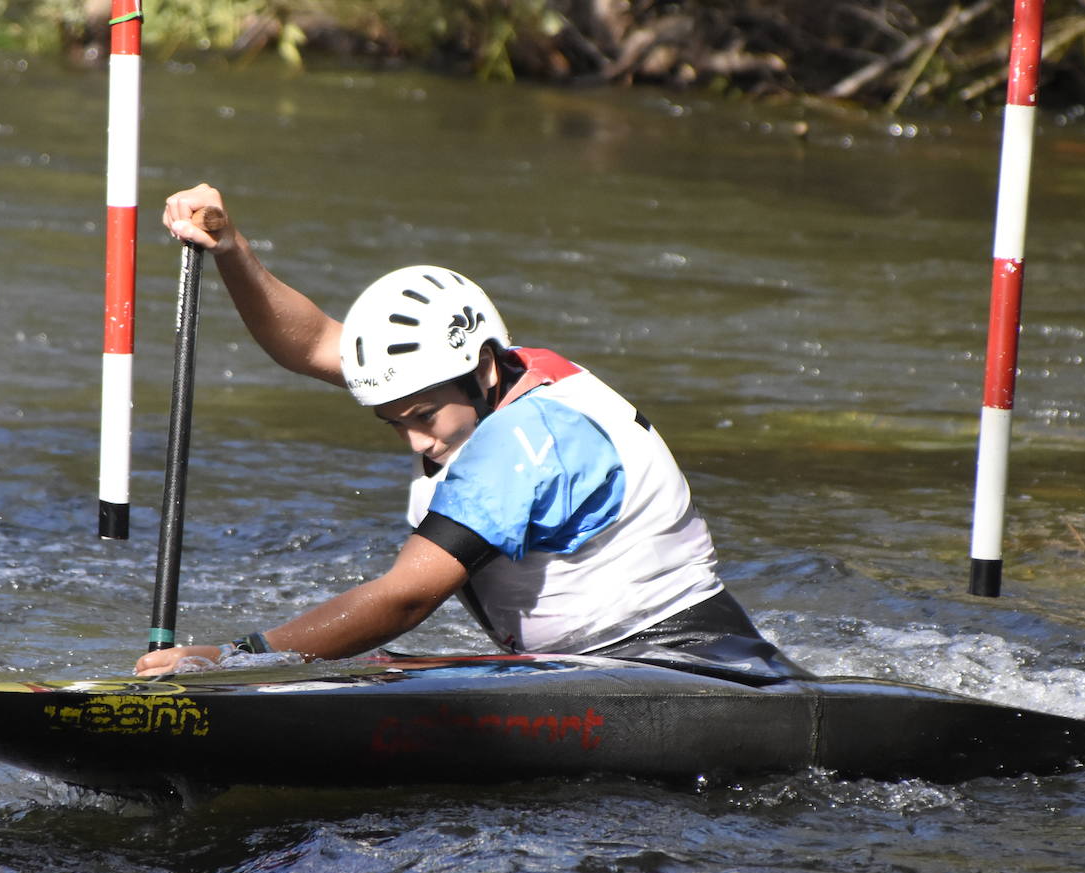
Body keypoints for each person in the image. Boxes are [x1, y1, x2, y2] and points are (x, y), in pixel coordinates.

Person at [135, 183, 809, 681]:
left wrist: (239, 660)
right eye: (394, 422)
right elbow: (313, 342)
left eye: (424, 418)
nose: (417, 442)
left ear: (481, 368)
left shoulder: (522, 440)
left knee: (375, 656)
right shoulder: (492, 371)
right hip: (591, 665)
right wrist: (232, 248)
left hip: (685, 665)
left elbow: (407, 595)